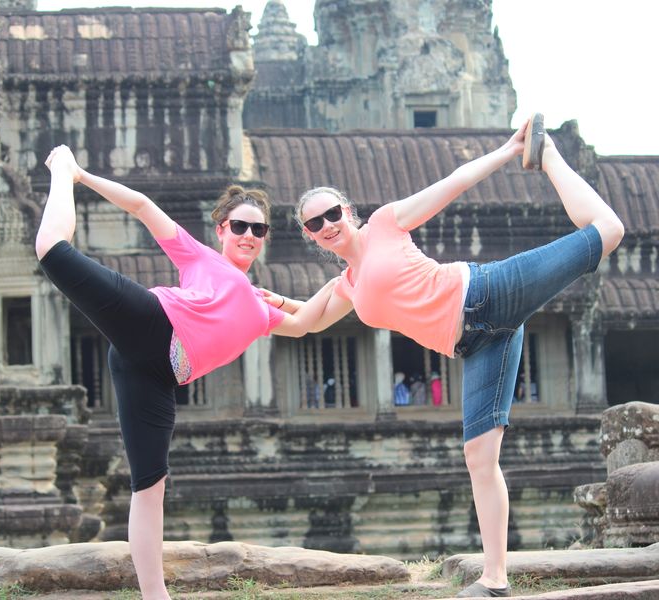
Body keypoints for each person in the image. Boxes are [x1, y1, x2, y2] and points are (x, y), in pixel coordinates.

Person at [263, 115, 624, 597]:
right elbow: (303, 322)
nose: (326, 225)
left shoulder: (387, 224)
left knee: (608, 231)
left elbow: (451, 184)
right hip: (477, 344)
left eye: (332, 214)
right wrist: (255, 304)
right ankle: (495, 580)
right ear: (309, 234)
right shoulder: (344, 286)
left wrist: (509, 151)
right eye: (315, 223)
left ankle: (549, 155)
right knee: (479, 455)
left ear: (348, 211)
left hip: (489, 292)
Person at [35, 145, 335, 600]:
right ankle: (61, 169)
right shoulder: (201, 257)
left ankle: (155, 596)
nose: (249, 235)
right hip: (151, 320)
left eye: (258, 228)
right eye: (240, 226)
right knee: (52, 252)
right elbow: (142, 207)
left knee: (149, 485)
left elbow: (307, 321)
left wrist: (345, 282)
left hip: (158, 376)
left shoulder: (263, 309)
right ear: (222, 231)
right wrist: (82, 175)